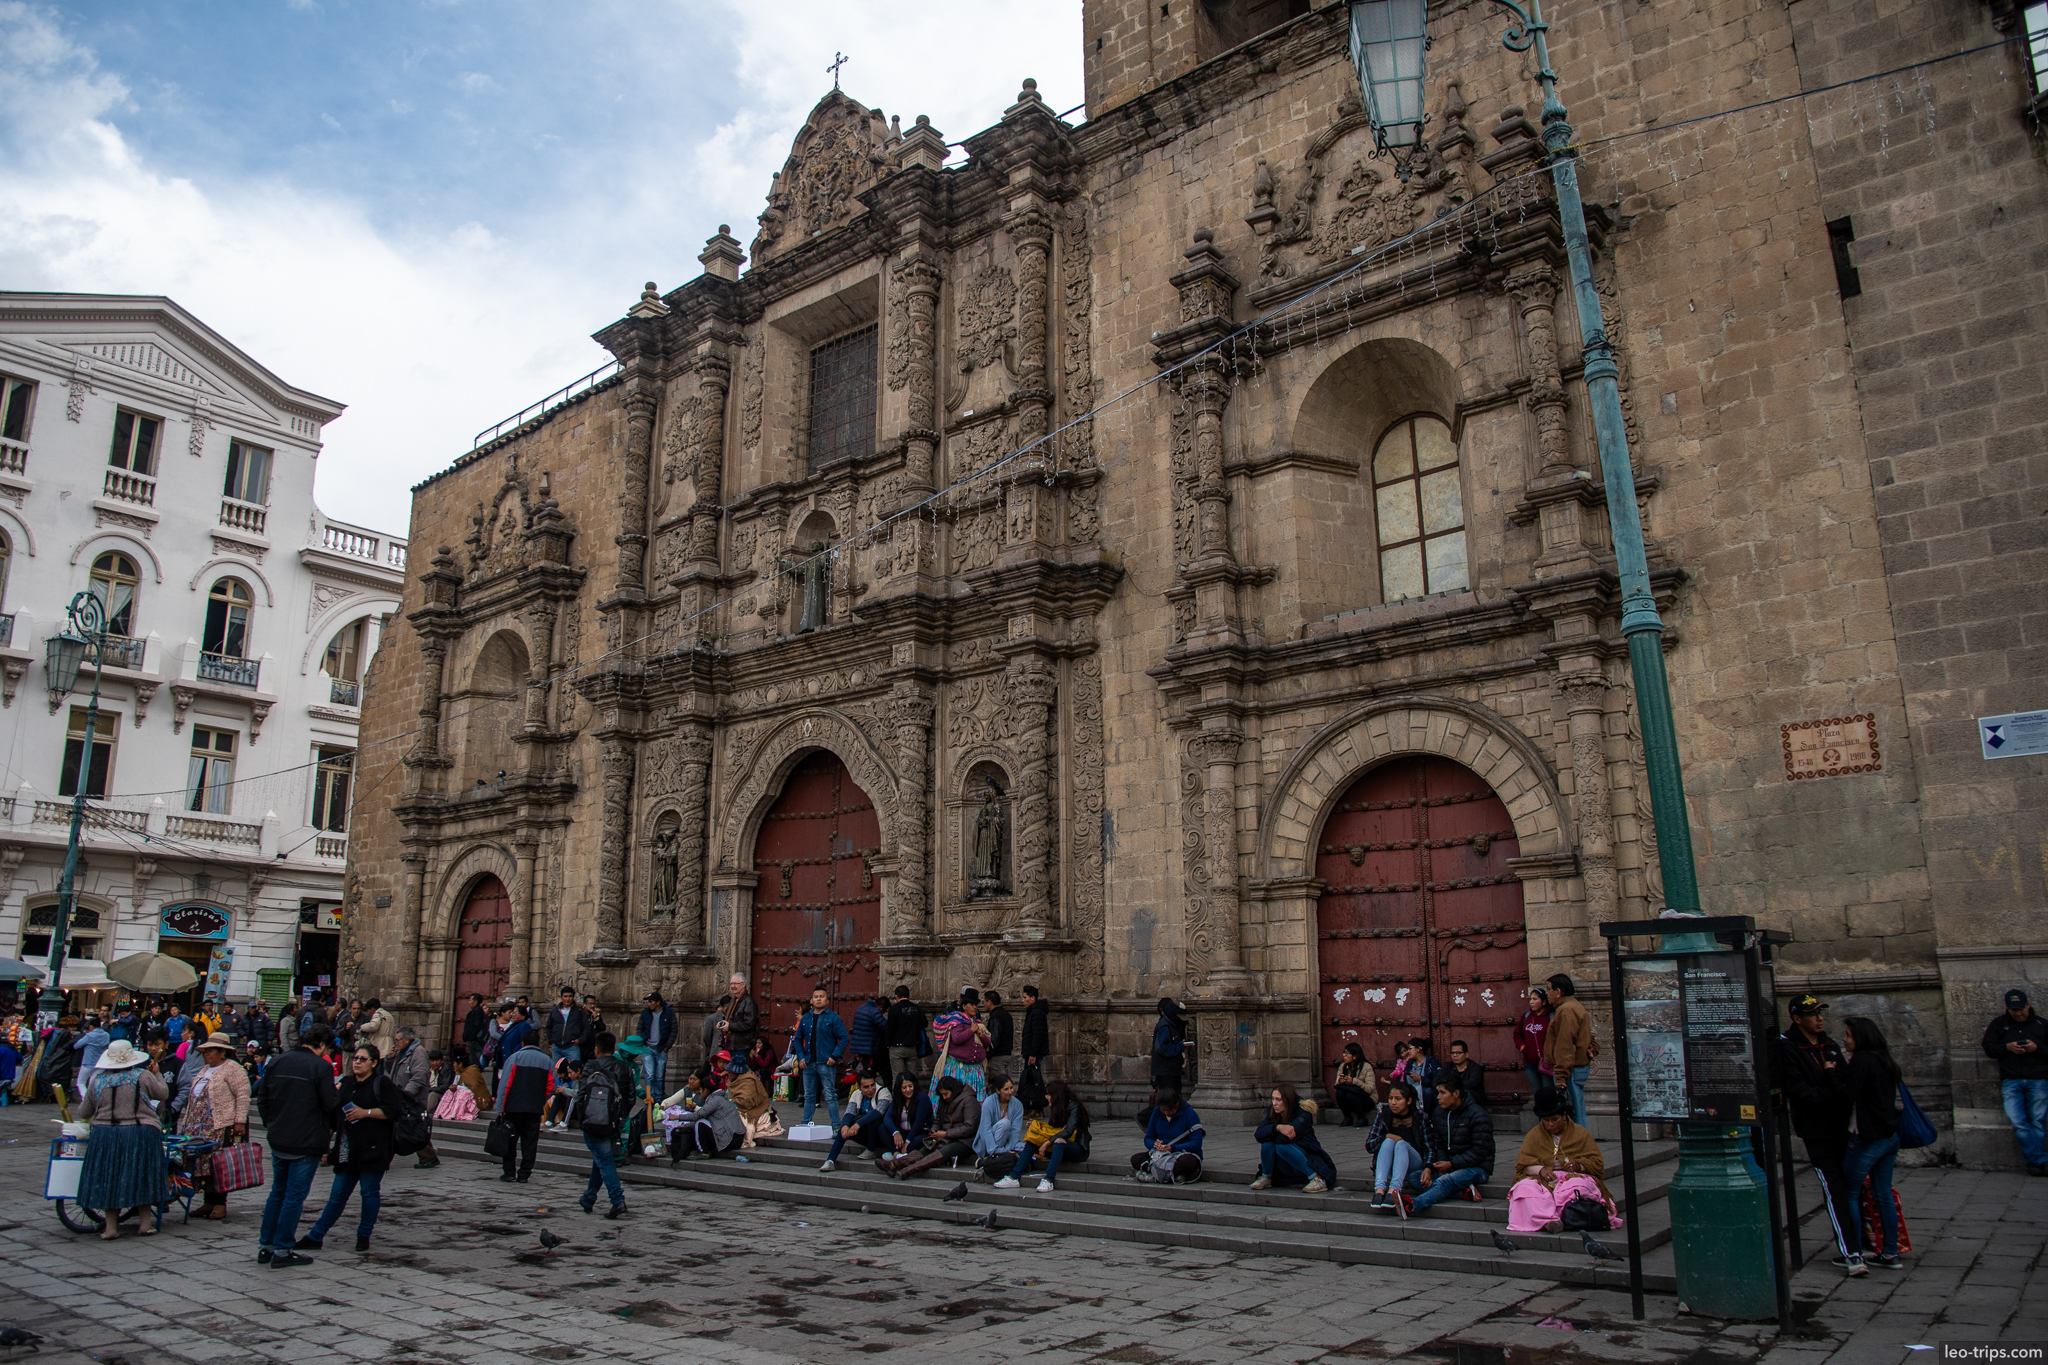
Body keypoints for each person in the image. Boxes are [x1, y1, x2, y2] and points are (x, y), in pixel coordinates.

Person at [1774, 994, 1864, 1275]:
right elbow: (1798, 1089)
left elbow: (1846, 1082)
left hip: (1842, 1127)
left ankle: (1862, 1243)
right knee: (1834, 1189)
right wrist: (1831, 1091)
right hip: (1816, 1129)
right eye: (1813, 1014)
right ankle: (1851, 1252)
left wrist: (1835, 1090)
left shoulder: (1829, 1044)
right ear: (1797, 1018)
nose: (1820, 1018)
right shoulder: (1788, 1046)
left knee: (1853, 1188)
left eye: (1821, 1013)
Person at [294, 1042, 404, 1254]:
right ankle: (316, 1235)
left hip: (373, 1148)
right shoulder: (346, 1083)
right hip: (346, 1149)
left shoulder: (382, 1083)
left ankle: (364, 1234)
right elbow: (335, 1116)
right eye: (355, 1058)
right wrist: (326, 1144)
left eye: (363, 1059)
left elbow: (393, 1111)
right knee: (337, 1194)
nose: (357, 1062)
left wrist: (367, 1113)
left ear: (373, 1063)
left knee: (369, 1193)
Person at [256, 1023, 341, 1268]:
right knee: (294, 1197)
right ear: (322, 1045)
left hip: (279, 1136)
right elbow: (329, 1102)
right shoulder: (321, 1066)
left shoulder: (278, 1061)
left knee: (277, 1193)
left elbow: (263, 1097)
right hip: (306, 1140)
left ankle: (266, 1246)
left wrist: (271, 1123)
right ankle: (283, 1249)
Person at [74, 1039, 169, 1240]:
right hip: (138, 1131)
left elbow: (84, 1111)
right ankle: (145, 1224)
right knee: (142, 1175)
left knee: (110, 1177)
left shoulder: (97, 1081)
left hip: (105, 1134)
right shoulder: (142, 1076)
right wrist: (158, 1073)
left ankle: (111, 1228)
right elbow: (163, 1093)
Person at [1507, 1086, 1617, 1232]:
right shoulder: (1533, 1135)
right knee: (1524, 1188)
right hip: (1543, 1179)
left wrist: (1579, 1166)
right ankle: (1547, 1221)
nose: (1551, 1124)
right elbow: (1522, 1165)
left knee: (1578, 1186)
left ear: (1564, 1116)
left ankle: (1567, 1216)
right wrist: (1541, 1170)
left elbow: (1596, 1163)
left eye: (1555, 1119)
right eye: (1546, 1120)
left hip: (1574, 1177)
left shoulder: (1580, 1133)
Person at [1842, 1016, 1904, 1267]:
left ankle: (1854, 1251)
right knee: (1883, 1194)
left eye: (1848, 1035)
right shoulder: (1885, 1060)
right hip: (1889, 1137)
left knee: (1849, 1193)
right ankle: (1890, 1253)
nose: (1844, 1040)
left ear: (1861, 1038)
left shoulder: (1862, 1060)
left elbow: (1848, 1094)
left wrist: (1831, 1073)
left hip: (1867, 1138)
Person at [178, 1032, 251, 1222]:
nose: (206, 1054)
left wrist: (239, 1121)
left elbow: (243, 1096)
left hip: (221, 1125)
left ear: (222, 1052)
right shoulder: (204, 1070)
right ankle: (208, 1201)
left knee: (220, 1165)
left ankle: (220, 1203)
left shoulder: (233, 1069)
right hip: (200, 1127)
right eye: (205, 1051)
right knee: (204, 1165)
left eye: (211, 1051)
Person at [1405, 1074, 1494, 1216]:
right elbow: (1438, 1144)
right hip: (1449, 1165)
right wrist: (1439, 1165)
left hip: (1477, 1168)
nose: (1438, 1097)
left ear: (1456, 1094)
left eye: (1443, 1093)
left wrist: (1451, 1164)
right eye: (1437, 1092)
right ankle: (1462, 1193)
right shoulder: (1439, 1113)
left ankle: (1414, 1205)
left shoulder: (1478, 1115)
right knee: (1415, 1178)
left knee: (1445, 1181)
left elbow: (1479, 1152)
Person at [1981, 988, 2047, 1176]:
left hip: (2038, 1079)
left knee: (2038, 1122)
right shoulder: (1999, 1025)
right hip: (2011, 1080)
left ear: (2028, 1005)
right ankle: (2040, 1159)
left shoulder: (2042, 1024)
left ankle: (2035, 1162)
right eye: (2013, 1010)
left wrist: (2037, 1048)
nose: (2018, 1013)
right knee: (2018, 1121)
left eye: (2021, 1009)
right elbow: (1989, 1048)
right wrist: (2007, 1047)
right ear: (2007, 1008)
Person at [574, 1032, 634, 1219]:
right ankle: (589, 1198)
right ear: (614, 1048)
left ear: (596, 1049)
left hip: (593, 1120)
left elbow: (580, 1094)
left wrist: (583, 1116)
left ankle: (617, 1200)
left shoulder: (591, 1065)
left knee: (604, 1159)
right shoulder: (625, 1068)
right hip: (613, 1122)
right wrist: (619, 1116)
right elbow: (630, 1098)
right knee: (600, 1158)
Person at [886, 1074, 980, 1179]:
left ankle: (908, 1170)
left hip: (964, 1141)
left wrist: (946, 1134)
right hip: (946, 1136)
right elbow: (938, 1120)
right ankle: (895, 1164)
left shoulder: (969, 1101)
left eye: (946, 1094)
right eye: (942, 1095)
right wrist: (934, 1131)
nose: (944, 1097)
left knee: (944, 1151)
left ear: (953, 1090)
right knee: (926, 1148)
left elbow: (969, 1126)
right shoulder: (944, 1101)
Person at [1250, 1084, 1336, 1193]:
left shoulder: (1303, 1113)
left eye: (1278, 1100)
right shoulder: (1273, 1111)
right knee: (1267, 1144)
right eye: (1273, 1099)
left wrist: (1270, 1134)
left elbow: (1286, 1139)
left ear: (1287, 1100)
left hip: (1307, 1157)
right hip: (1285, 1164)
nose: (1274, 1103)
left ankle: (1317, 1178)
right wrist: (1277, 1127)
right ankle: (1266, 1177)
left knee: (1280, 1146)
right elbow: (1259, 1135)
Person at [496, 1032, 555, 1184]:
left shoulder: (515, 1058)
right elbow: (551, 1086)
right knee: (530, 1143)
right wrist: (541, 1099)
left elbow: (505, 1084)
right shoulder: (547, 1061)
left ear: (522, 1043)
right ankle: (524, 1173)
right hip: (534, 1108)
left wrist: (501, 1107)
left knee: (510, 1141)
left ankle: (509, 1172)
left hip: (513, 1107)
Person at [1366, 1080, 1432, 1212]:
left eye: (1398, 1099)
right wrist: (1386, 1137)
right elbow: (1369, 1146)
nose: (1393, 1103)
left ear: (1408, 1101)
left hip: (1412, 1166)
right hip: (1388, 1168)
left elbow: (1429, 1147)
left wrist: (1428, 1168)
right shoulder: (1384, 1114)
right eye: (1390, 1098)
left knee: (1401, 1144)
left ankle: (1394, 1191)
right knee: (1389, 1141)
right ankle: (1379, 1191)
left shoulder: (1420, 1117)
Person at [1542, 974, 1597, 1127]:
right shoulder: (1572, 1007)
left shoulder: (1566, 1010)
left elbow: (1565, 1045)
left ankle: (1578, 1146)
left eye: (1549, 989)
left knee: (1573, 1114)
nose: (1547, 993)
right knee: (1575, 1110)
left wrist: (1560, 1075)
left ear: (1558, 992)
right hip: (1572, 1068)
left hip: (1570, 1069)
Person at [383, 1025, 438, 1169]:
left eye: (397, 1040)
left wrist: (405, 1094)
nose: (396, 1043)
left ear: (407, 1039)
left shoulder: (418, 1053)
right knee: (405, 1126)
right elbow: (392, 1071)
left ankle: (428, 1157)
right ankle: (428, 1157)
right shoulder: (402, 1052)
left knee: (413, 1126)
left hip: (413, 1098)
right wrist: (389, 1059)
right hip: (401, 1096)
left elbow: (419, 1077)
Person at [661, 1071, 746, 1163]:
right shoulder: (719, 1098)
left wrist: (677, 1117)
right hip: (736, 1138)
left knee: (700, 1123)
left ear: (706, 1090)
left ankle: (704, 1152)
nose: (700, 1093)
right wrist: (685, 1126)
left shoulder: (716, 1100)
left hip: (731, 1139)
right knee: (701, 1123)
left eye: (701, 1090)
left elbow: (698, 1115)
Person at [794, 986, 850, 1126]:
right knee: (808, 1096)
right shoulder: (806, 1018)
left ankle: (836, 1126)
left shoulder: (833, 1018)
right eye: (816, 997)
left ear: (827, 1000)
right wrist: (800, 1057)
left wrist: (834, 1056)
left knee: (830, 1095)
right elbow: (798, 1039)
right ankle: (806, 1122)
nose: (819, 999)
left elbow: (844, 1038)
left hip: (826, 1063)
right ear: (812, 1001)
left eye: (822, 996)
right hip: (808, 1062)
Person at [1022, 1078, 1090, 1193]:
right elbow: (1052, 1130)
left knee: (1059, 1142)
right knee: (1031, 1143)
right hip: (1060, 1148)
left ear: (1057, 1095)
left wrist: (1047, 1143)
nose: (1047, 1097)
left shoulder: (1074, 1106)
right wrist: (1037, 1127)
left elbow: (1068, 1131)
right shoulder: (1057, 1107)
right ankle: (1013, 1176)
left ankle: (1048, 1179)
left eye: (1049, 1094)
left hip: (1077, 1148)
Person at [1131, 1082, 1204, 1184]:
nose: (1166, 1113)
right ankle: (1173, 1176)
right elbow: (1148, 1137)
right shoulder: (1157, 1112)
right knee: (1136, 1159)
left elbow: (1196, 1143)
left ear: (1177, 1104)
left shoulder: (1190, 1114)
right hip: (1161, 1155)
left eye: (1169, 1110)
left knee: (1186, 1163)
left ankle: (1154, 1175)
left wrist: (1173, 1148)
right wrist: (1154, 1145)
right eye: (1163, 1110)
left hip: (1182, 1153)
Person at [821, 1070, 892, 1172]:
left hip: (881, 1134)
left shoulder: (883, 1092)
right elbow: (849, 1112)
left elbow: (878, 1112)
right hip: (865, 1133)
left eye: (872, 1085)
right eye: (866, 1087)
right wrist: (845, 1125)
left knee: (873, 1120)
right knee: (844, 1127)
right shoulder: (856, 1094)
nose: (871, 1089)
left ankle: (871, 1150)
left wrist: (858, 1124)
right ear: (859, 1087)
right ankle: (830, 1160)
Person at [932, 989, 991, 1100]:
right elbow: (957, 1038)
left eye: (976, 1005)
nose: (974, 1007)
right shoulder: (958, 1021)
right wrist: (971, 1030)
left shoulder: (976, 1022)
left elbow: (988, 1043)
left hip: (974, 1070)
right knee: (958, 1097)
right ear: (964, 1006)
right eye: (971, 1004)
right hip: (959, 1068)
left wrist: (981, 1035)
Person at [974, 1073, 1030, 1187]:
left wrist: (1007, 1149)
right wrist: (993, 1150)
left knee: (1028, 1147)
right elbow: (985, 1130)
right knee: (1005, 1123)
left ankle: (1000, 1156)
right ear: (998, 1091)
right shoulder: (988, 1103)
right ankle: (992, 1157)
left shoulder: (1018, 1105)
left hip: (1007, 1143)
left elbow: (1015, 1131)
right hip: (990, 1143)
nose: (1010, 1091)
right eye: (1006, 1089)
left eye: (1011, 1088)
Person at [876, 1072, 933, 1170]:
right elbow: (887, 1117)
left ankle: (899, 1159)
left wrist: (908, 1141)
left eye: (910, 1086)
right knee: (882, 1128)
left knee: (916, 1142)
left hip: (918, 1133)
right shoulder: (898, 1100)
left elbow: (919, 1122)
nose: (908, 1090)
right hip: (903, 1133)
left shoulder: (922, 1098)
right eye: (904, 1088)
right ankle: (897, 1155)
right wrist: (895, 1132)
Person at [638, 991, 677, 1100]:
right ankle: (649, 1097)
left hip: (661, 1048)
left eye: (651, 1002)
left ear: (658, 1003)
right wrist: (642, 1042)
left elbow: (673, 1030)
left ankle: (658, 1098)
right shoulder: (645, 1013)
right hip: (648, 1048)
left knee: (659, 1076)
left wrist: (667, 1046)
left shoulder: (668, 1013)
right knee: (649, 1075)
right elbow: (640, 1028)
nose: (649, 1004)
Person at [885, 986, 928, 1083]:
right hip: (912, 1046)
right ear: (909, 996)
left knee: (897, 1077)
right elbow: (925, 1024)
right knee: (912, 1076)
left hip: (896, 1047)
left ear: (896, 997)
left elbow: (889, 1029)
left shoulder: (894, 1009)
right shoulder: (917, 1008)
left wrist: (887, 1044)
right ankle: (913, 1095)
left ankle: (898, 1097)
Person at [1517, 987, 1553, 1101]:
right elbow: (1517, 1034)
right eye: (1530, 999)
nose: (1531, 1002)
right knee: (1537, 1094)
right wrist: (1522, 1046)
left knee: (1548, 1093)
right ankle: (1541, 1119)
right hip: (1530, 1063)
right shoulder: (1526, 1017)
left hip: (1547, 1062)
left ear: (1544, 1001)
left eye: (1535, 999)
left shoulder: (1551, 1017)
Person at [717, 974, 759, 1064]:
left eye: (735, 983)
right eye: (731, 984)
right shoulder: (733, 1000)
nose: (732, 986)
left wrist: (730, 1026)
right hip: (730, 1043)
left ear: (743, 984)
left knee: (738, 1072)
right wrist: (723, 1023)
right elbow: (731, 1018)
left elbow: (749, 1023)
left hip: (742, 1045)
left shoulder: (748, 1001)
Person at [1151, 998, 1190, 1092]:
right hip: (1166, 1072)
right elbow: (1161, 1047)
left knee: (1174, 1100)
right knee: (1168, 1101)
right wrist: (1180, 1046)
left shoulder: (1171, 1024)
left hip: (1171, 1071)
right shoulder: (1165, 1025)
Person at [547, 986, 592, 1065]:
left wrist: (580, 1040)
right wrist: (551, 1040)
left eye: (570, 996)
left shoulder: (579, 1011)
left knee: (574, 1071)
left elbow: (587, 1028)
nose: (567, 999)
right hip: (557, 1047)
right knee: (556, 1072)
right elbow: (549, 1026)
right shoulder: (555, 1011)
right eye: (565, 996)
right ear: (561, 997)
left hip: (572, 1047)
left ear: (573, 997)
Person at [1332, 1042, 1374, 1127]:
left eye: (1347, 1053)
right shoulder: (1343, 1066)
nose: (1344, 1055)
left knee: (1351, 1095)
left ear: (1355, 1056)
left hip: (1366, 1099)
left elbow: (1370, 1088)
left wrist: (1354, 1081)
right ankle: (1347, 1117)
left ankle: (1362, 1118)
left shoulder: (1366, 1067)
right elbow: (1336, 1084)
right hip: (1349, 1098)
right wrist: (1340, 1081)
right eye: (1344, 1052)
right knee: (1340, 1093)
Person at [850, 993, 889, 1085]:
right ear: (881, 1007)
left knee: (866, 1070)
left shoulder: (861, 1008)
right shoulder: (874, 1011)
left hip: (860, 1046)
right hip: (870, 1047)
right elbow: (885, 1026)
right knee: (874, 1071)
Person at [73, 1013, 111, 1098]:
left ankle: (86, 1099)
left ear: (91, 1026)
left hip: (88, 1062)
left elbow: (76, 1045)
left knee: (81, 1082)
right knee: (93, 1084)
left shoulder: (89, 1036)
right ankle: (94, 1100)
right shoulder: (106, 1035)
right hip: (101, 1063)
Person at [1020, 986, 1049, 1094]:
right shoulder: (1033, 1011)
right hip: (1031, 1052)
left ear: (1032, 998)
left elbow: (1037, 1035)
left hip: (1033, 1054)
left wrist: (1033, 1054)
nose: (1023, 1001)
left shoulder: (1036, 1013)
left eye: (1025, 997)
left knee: (1033, 1080)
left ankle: (1034, 1102)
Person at [543, 1056, 582, 1129]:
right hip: (574, 1107)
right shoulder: (576, 1081)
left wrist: (564, 1090)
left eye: (571, 1073)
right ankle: (549, 1121)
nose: (569, 1076)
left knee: (571, 1097)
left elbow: (578, 1094)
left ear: (578, 1071)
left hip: (581, 1109)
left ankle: (563, 1123)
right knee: (558, 1097)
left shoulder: (585, 1080)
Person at [1447, 1039, 1487, 1107]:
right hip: (1453, 1095)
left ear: (1466, 1054)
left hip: (1474, 1100)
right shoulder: (1448, 1066)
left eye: (1458, 1053)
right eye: (1453, 1053)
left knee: (1468, 1092)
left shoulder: (1475, 1068)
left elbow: (1471, 1084)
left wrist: (1451, 1088)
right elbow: (1437, 1079)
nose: (1455, 1055)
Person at [985, 990, 1014, 1066]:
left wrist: (989, 1054)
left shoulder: (995, 1016)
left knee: (999, 1077)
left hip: (998, 1056)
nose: (984, 1004)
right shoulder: (1006, 1014)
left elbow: (994, 1039)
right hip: (1007, 1054)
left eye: (984, 1001)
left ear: (989, 1002)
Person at [461, 993, 490, 1066]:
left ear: (476, 1001)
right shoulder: (476, 1011)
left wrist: (471, 1037)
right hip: (474, 1040)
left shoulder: (477, 1011)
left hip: (475, 1041)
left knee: (475, 1061)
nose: (469, 1002)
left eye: (471, 1000)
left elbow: (476, 1026)